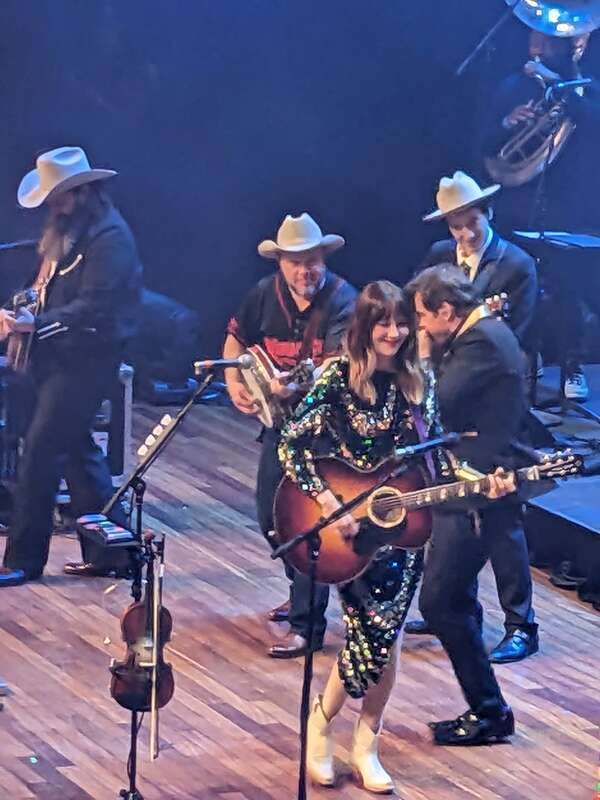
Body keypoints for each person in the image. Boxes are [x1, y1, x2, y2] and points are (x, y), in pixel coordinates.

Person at [278, 281, 514, 788]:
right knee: (372, 635)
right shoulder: (337, 379)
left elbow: (435, 456)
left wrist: (480, 483)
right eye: (383, 323)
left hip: (402, 528)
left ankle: (367, 744)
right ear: (364, 327)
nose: (394, 332)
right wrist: (328, 502)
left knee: (390, 638)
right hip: (349, 532)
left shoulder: (417, 382)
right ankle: (319, 726)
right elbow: (291, 445)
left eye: (402, 322)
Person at [407, 171, 539, 665]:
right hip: (456, 410)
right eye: (456, 226)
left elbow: (514, 337)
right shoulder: (440, 261)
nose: (464, 234)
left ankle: (521, 623)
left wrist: (438, 368)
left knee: (501, 521)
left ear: (488, 215)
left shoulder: (517, 265)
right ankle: (455, 607)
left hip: (493, 412)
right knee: (453, 518)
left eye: (471, 222)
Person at [0, 146, 142, 587]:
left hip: (86, 361)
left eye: (59, 196)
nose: (52, 205)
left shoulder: (110, 239)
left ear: (83, 194)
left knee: (42, 450)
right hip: (57, 358)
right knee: (78, 455)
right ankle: (114, 553)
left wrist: (35, 325)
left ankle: (23, 558)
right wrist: (16, 311)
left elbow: (94, 309)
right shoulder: (66, 233)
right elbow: (42, 289)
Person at [406, 264, 531, 745]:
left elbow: (434, 400)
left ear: (445, 310)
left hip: (480, 485)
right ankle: (487, 708)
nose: (418, 328)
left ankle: (490, 712)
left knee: (439, 600)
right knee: (450, 599)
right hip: (474, 481)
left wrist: (420, 353)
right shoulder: (482, 334)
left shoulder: (481, 342)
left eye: (421, 318)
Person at [223, 212, 357, 658]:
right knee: (270, 517)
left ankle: (307, 626)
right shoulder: (265, 294)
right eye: (296, 262)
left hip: (325, 435)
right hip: (279, 427)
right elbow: (235, 340)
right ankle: (301, 589)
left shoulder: (344, 301)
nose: (305, 271)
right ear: (280, 263)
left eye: (313, 260)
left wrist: (297, 383)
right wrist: (236, 385)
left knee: (305, 524)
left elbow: (335, 368)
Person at [483, 28, 600, 400]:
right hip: (521, 199)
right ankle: (515, 366)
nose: (540, 44)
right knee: (515, 284)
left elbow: (594, 122)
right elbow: (484, 145)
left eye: (549, 38)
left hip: (569, 202)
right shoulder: (512, 87)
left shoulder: (583, 86)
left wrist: (562, 87)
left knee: (567, 287)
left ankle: (571, 365)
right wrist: (507, 123)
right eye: (536, 36)